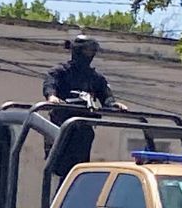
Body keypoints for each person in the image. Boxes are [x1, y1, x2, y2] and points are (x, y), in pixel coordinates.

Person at [42, 35, 127, 178]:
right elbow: (50, 84)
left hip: (83, 131)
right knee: (60, 169)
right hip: (61, 128)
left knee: (78, 173)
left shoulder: (95, 77)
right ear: (77, 51)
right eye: (87, 51)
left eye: (92, 51)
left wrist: (113, 104)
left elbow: (106, 95)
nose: (90, 55)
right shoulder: (61, 71)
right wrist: (52, 97)